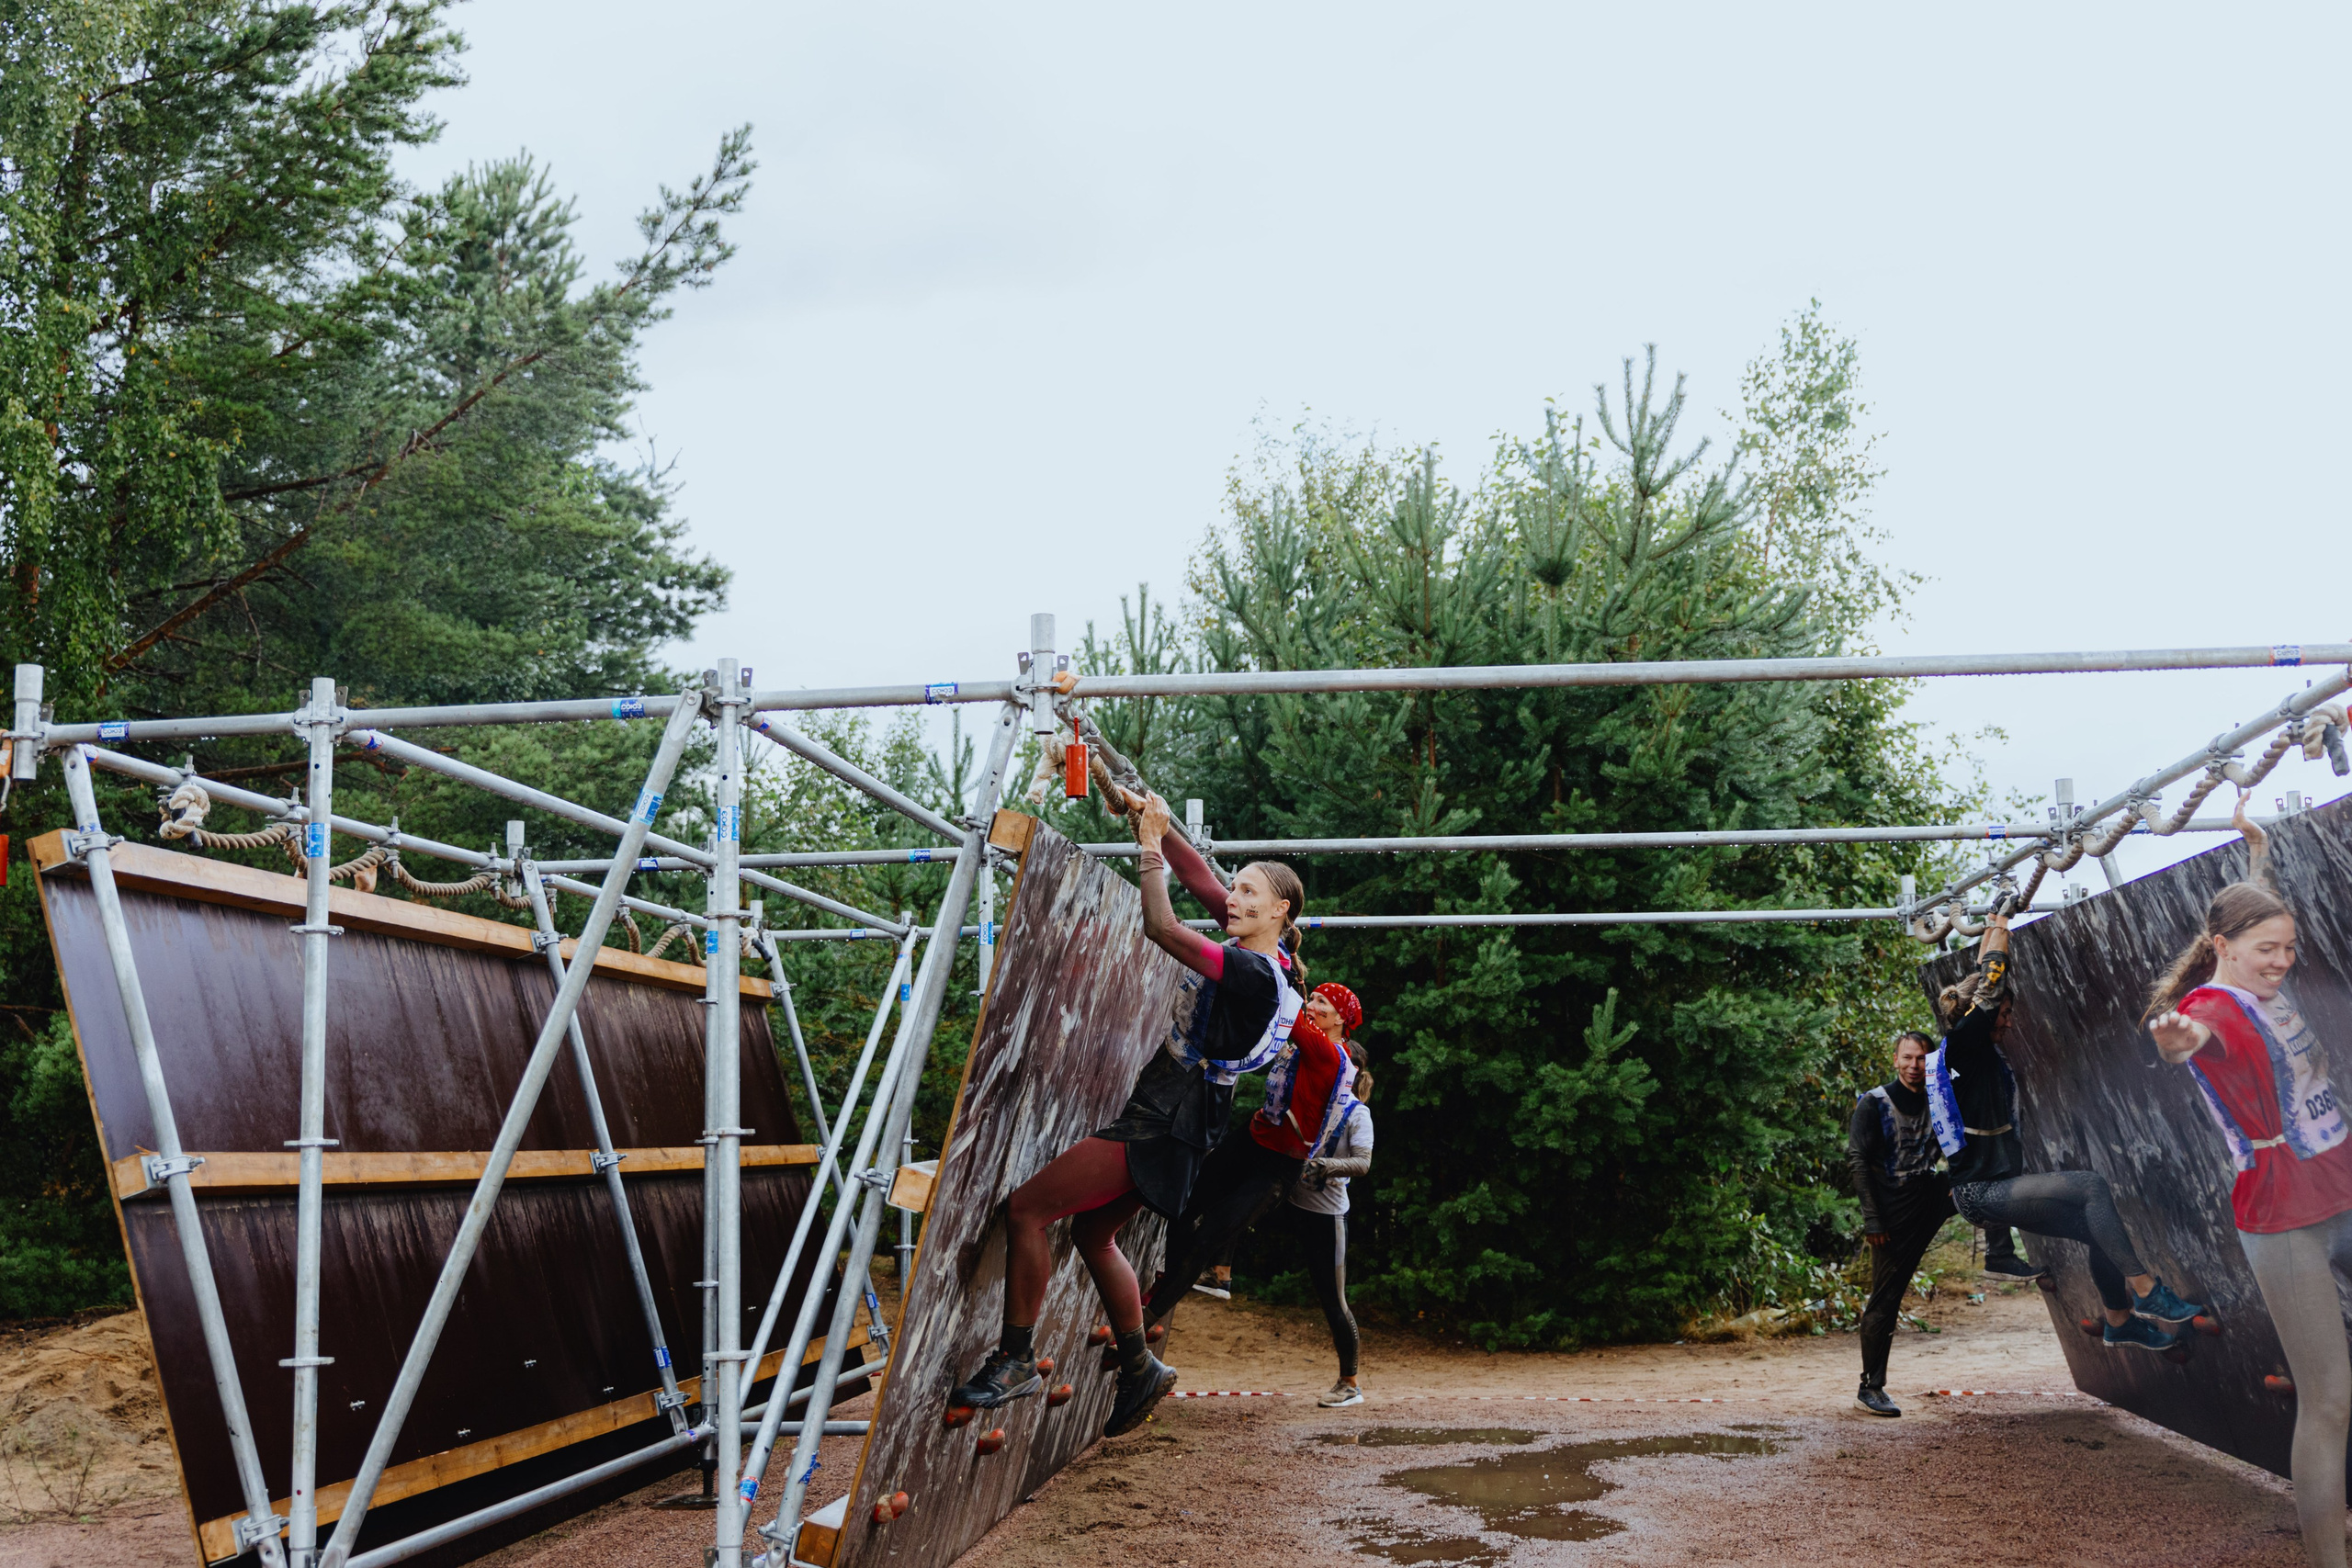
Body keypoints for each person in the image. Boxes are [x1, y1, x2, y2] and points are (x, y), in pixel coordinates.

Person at [946, 790, 1306, 1438]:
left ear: (1279, 909)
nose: (1235, 898)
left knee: (1028, 1210)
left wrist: (1146, 850)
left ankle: (1017, 1358)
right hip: (1186, 1115)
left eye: (1250, 893)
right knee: (1092, 1233)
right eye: (1237, 888)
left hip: (1168, 1113)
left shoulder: (1253, 971)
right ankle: (1140, 1364)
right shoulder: (1274, 964)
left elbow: (1162, 928)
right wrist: (1148, 819)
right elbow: (1199, 875)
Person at [2147, 794, 2352, 1568]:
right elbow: (2190, 1037)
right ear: (2221, 947)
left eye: (2289, 948)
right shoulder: (2213, 1008)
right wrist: (2176, 1039)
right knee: (2328, 1398)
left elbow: (2255, 913)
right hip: (2285, 1215)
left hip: (2343, 1186)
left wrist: (2256, 853)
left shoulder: (2259, 971)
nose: (2281, 961)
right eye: (2266, 949)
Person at [1930, 899, 2206, 1353]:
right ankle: (2145, 1291)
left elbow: (1990, 985)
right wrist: (1999, 926)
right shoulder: (1964, 1043)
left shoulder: (1967, 1053)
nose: (2009, 1020)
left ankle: (2120, 1321)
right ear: (1979, 1017)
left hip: (1991, 1187)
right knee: (2092, 1187)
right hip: (1981, 1192)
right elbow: (1992, 983)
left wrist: (1995, 931)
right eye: (2004, 1015)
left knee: (2095, 1227)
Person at [1139, 979, 1354, 1331]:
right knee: (1183, 1206)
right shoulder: (1310, 1045)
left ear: (1340, 1020)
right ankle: (1169, 1285)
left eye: (1322, 1004)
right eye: (1312, 998)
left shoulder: (1328, 1053)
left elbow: (1288, 1010)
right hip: (1252, 1139)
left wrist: (1278, 962)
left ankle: (1148, 1319)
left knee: (1209, 1234)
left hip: (1279, 1165)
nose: (1312, 1006)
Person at [1849, 1029, 1957, 1417]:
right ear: (1896, 1060)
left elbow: (1959, 1146)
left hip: (1928, 1196)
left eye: (1923, 1060)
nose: (1914, 1066)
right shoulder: (1874, 1104)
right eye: (1908, 1058)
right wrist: (1873, 1220)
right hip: (1892, 1213)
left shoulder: (1940, 1099)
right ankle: (1870, 1387)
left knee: (1981, 1189)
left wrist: (1956, 1185)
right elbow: (1859, 1164)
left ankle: (2003, 1255)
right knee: (1886, 1297)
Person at [1289, 1008, 1374, 1408]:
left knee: (1333, 1300)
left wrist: (1326, 1165)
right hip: (1295, 1202)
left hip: (1328, 1214)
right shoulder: (1320, 1106)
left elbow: (1363, 1163)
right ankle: (1219, 1271)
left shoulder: (1359, 1114)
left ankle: (1350, 1383)